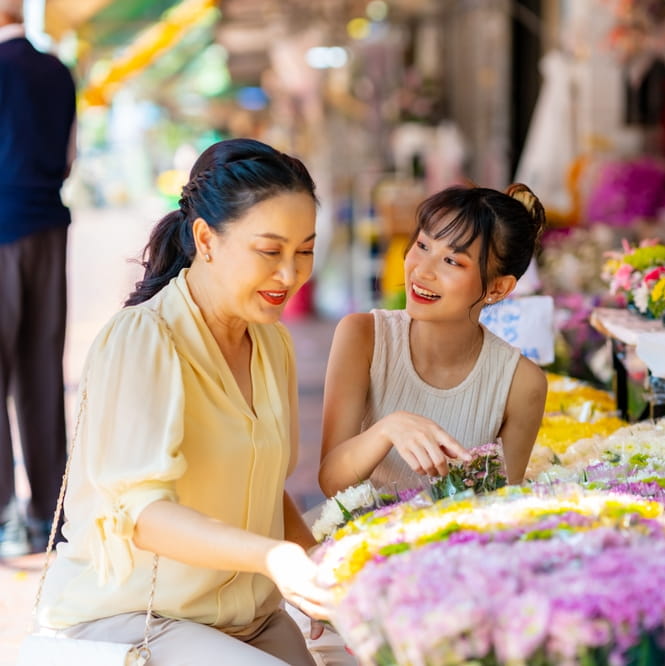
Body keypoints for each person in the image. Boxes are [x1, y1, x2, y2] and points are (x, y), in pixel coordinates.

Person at [36, 139, 329, 665]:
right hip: (140, 620)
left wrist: (323, 565)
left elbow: (265, 490)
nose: (290, 275)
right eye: (270, 251)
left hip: (250, 618)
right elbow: (143, 517)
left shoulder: (271, 342)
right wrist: (273, 557)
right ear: (206, 239)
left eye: (304, 251)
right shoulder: (144, 339)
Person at [319, 183, 548, 497]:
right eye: (423, 245)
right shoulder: (363, 336)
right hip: (361, 540)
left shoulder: (521, 383)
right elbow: (330, 481)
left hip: (453, 542)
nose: (422, 271)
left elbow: (503, 502)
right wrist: (388, 429)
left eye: (452, 261)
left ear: (497, 288)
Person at [0, 0, 77, 557]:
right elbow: (70, 157)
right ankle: (50, 513)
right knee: (42, 371)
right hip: (50, 225)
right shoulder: (57, 71)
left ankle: (4, 514)